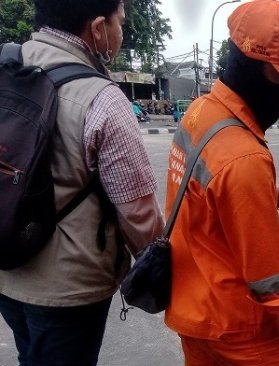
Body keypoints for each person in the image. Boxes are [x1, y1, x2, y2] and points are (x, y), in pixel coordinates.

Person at [163, 1, 279, 365]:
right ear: (258, 68)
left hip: (195, 312)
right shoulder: (244, 156)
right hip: (240, 330)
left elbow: (217, 204)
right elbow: (270, 278)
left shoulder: (201, 112)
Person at [0, 1, 164, 365]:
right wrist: (158, 267)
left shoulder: (5, 66)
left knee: (31, 353)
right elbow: (139, 215)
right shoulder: (102, 99)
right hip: (69, 290)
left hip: (7, 264)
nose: (121, 32)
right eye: (120, 23)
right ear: (98, 29)